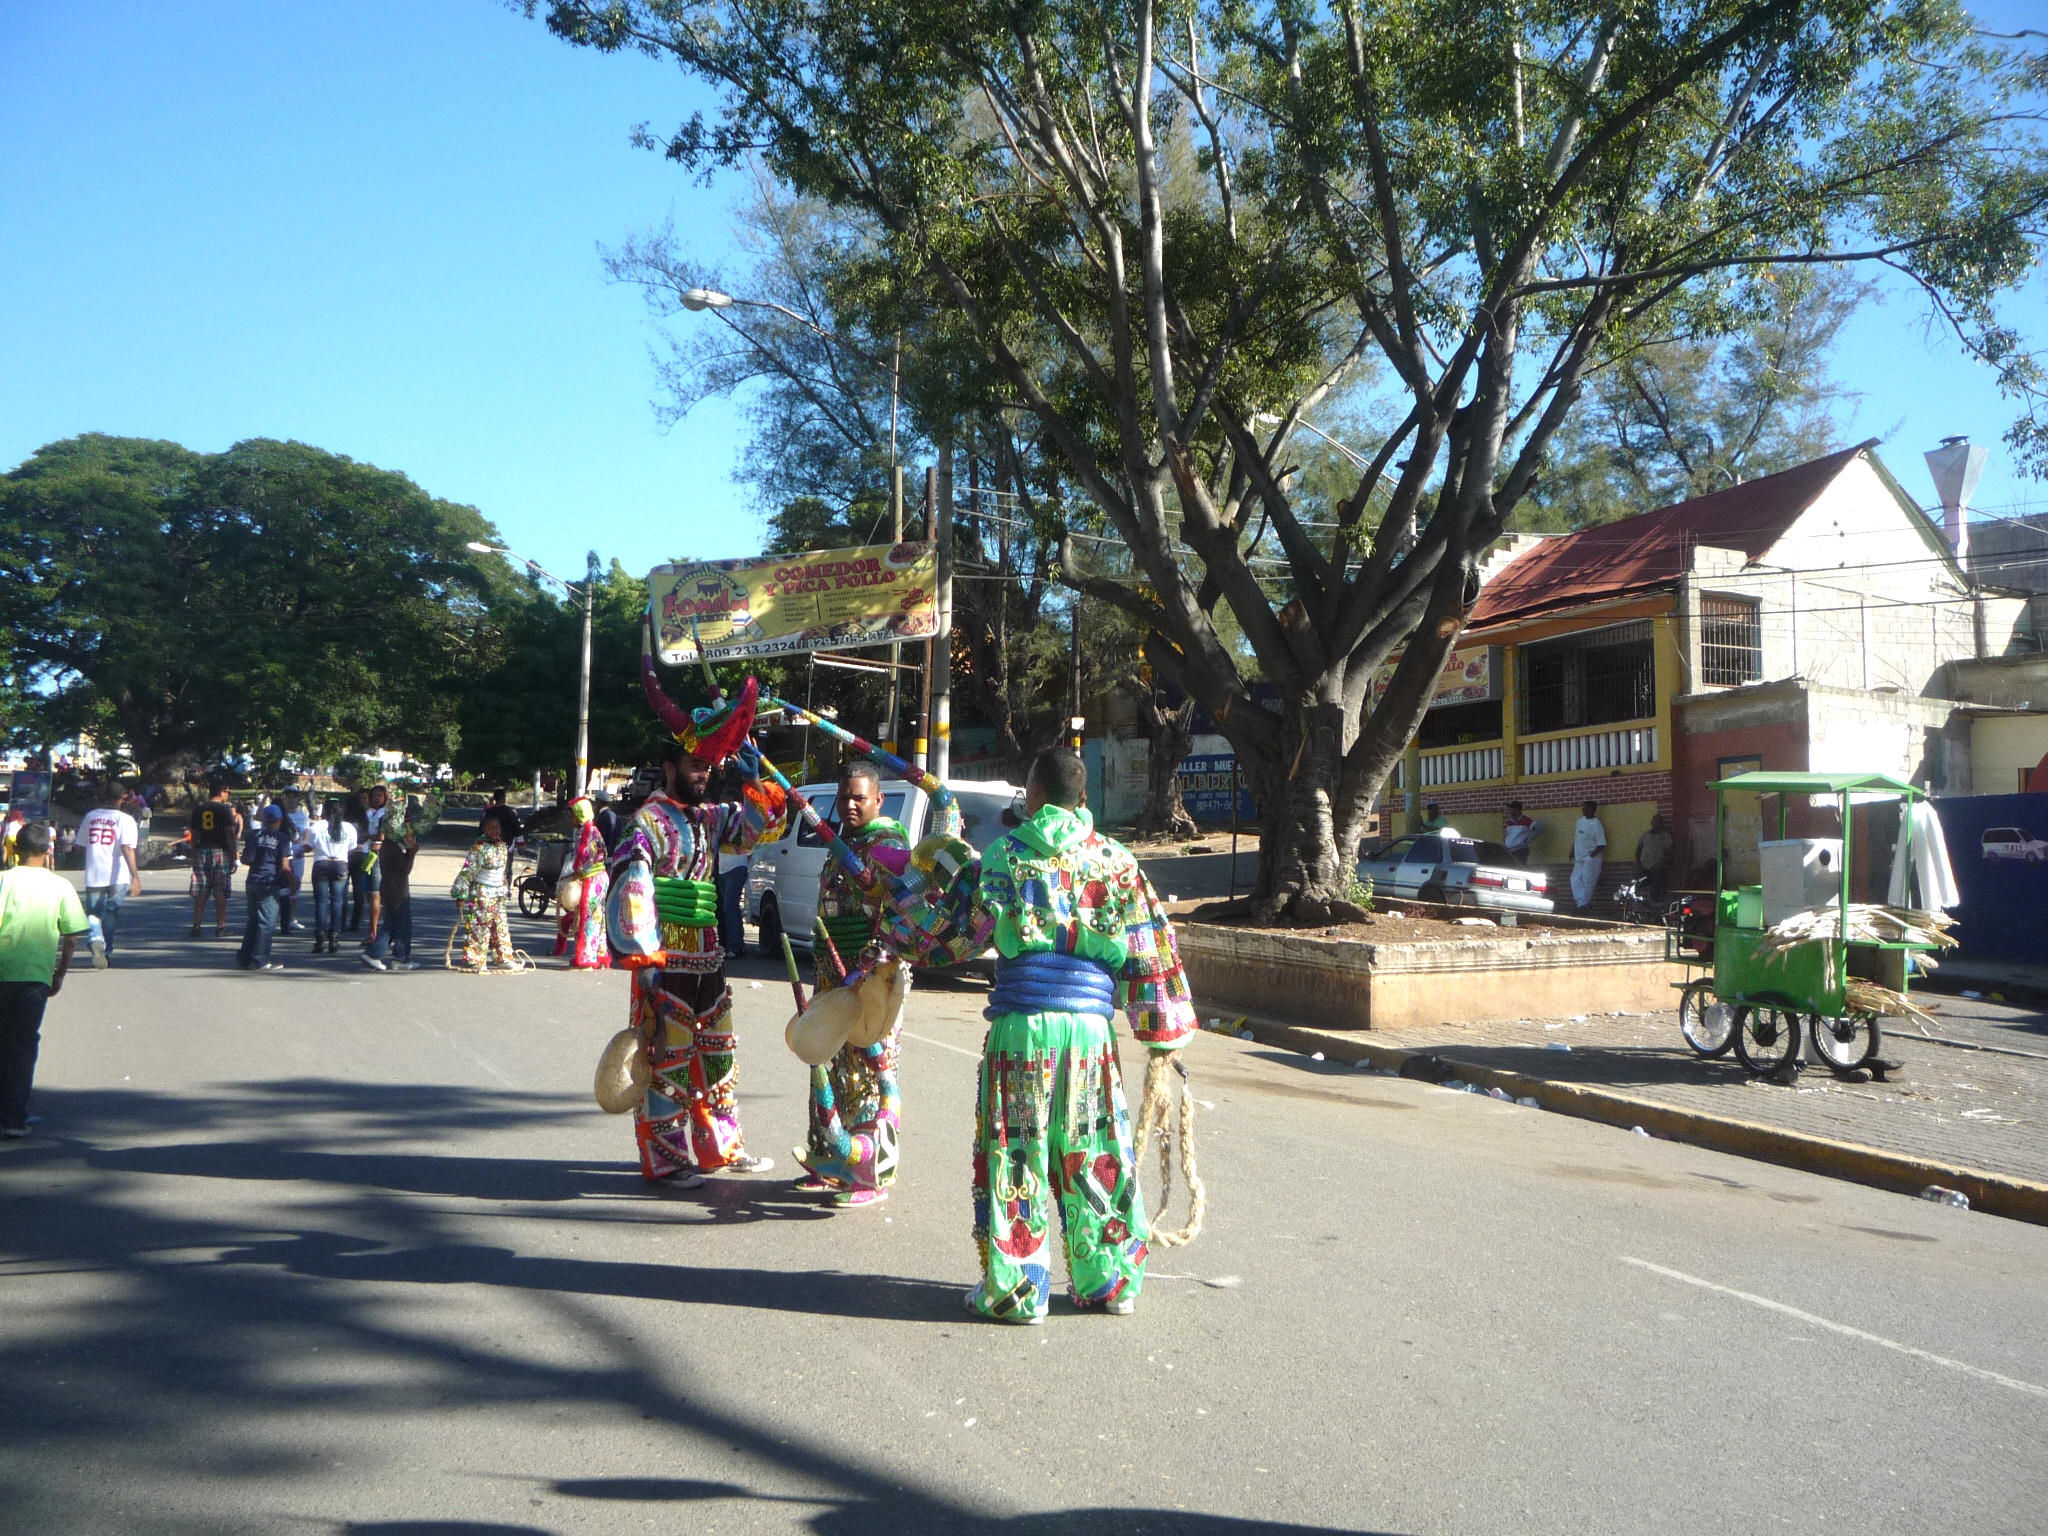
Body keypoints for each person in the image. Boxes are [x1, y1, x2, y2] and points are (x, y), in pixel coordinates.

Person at [892, 748, 1198, 1325]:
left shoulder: (1006, 858)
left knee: (1016, 1152)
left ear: (1031, 795)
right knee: (1096, 1149)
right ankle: (1110, 1282)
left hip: (1022, 1031)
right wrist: (1161, 1038)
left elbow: (952, 940)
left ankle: (1016, 1291)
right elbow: (1151, 951)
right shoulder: (1117, 861)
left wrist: (914, 889)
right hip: (1089, 1033)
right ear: (1083, 800)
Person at [610, 656, 786, 1185]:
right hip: (666, 961)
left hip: (710, 961)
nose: (704, 774)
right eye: (695, 766)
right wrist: (644, 963)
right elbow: (633, 890)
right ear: (670, 766)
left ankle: (719, 1148)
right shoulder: (647, 823)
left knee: (718, 1057)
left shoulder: (712, 819)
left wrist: (757, 778)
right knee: (667, 1058)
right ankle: (664, 1159)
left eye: (710, 767)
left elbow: (761, 829)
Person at [793, 759, 912, 1209]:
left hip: (870, 978)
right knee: (828, 1060)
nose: (850, 805)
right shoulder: (842, 842)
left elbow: (896, 914)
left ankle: (870, 1171)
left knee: (867, 1069)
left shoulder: (889, 845)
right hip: (832, 970)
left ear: (879, 799)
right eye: (844, 797)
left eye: (859, 797)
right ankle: (831, 1158)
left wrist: (869, 967)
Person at [0, 823, 91, 1138]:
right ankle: (13, 1117)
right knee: (23, 1045)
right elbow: (71, 938)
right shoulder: (60, 886)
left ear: (15, 849)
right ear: (48, 849)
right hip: (34, 975)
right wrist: (60, 974)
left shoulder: (2, 881)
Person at [78, 786, 142, 965]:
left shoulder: (90, 816)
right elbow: (127, 847)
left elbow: (82, 844)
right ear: (124, 796)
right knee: (111, 913)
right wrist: (135, 876)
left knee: (93, 913)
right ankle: (106, 950)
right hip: (118, 875)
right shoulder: (125, 819)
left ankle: (95, 938)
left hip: (94, 872)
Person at [449, 808, 517, 972]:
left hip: (498, 893)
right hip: (482, 893)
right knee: (479, 926)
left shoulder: (502, 847)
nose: (495, 830)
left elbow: (503, 872)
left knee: (500, 926)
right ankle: (475, 959)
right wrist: (461, 894)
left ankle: (503, 957)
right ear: (484, 829)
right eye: (491, 827)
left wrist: (505, 888)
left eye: (497, 827)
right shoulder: (479, 849)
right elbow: (468, 872)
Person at [237, 803, 298, 972]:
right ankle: (260, 959)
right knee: (267, 923)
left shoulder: (253, 835)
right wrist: (293, 883)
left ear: (264, 820)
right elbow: (285, 866)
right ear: (280, 819)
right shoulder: (282, 838)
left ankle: (244, 958)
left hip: (252, 881)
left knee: (253, 920)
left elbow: (246, 860)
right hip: (269, 882)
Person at [552, 797, 611, 970]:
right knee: (598, 917)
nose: (570, 819)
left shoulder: (588, 833)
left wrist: (575, 876)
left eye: (572, 816)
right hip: (599, 878)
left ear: (580, 815)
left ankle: (586, 958)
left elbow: (585, 861)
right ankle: (599, 955)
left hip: (593, 880)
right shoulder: (590, 830)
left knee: (588, 919)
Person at [364, 801, 420, 972]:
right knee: (400, 925)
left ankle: (397, 955)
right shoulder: (394, 847)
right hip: (397, 889)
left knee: (392, 923)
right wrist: (411, 854)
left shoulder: (388, 846)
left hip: (389, 887)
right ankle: (382, 954)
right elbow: (405, 869)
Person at [187, 785, 242, 937]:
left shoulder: (199, 809)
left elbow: (194, 833)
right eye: (226, 792)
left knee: (201, 890)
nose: (228, 795)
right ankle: (220, 926)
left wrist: (193, 853)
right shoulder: (224, 810)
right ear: (220, 792)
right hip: (220, 851)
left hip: (202, 849)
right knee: (220, 890)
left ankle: (196, 925)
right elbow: (229, 833)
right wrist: (234, 854)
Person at [304, 799, 357, 955]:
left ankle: (320, 938)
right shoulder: (348, 828)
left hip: (321, 863)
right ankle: (334, 937)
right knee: (337, 902)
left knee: (321, 902)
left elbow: (308, 847)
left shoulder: (317, 827)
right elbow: (352, 848)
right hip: (340, 864)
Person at [1571, 800, 1608, 911]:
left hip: (1591, 858)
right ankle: (1583, 903)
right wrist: (1572, 850)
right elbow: (1576, 838)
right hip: (1579, 858)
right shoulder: (1580, 821)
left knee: (1588, 882)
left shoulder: (1596, 824)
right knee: (1574, 880)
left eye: (1585, 808)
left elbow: (1602, 844)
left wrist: (1590, 856)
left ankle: (1583, 906)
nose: (1583, 810)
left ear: (1591, 809)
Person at [1635, 813, 1675, 903]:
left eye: (1659, 822)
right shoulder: (1645, 835)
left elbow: (1670, 852)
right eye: (1655, 821)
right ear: (1651, 823)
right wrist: (1638, 863)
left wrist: (1662, 864)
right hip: (1644, 867)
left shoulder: (1665, 836)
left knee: (1655, 890)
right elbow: (1638, 849)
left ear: (1662, 824)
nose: (1656, 823)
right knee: (1638, 886)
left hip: (1657, 868)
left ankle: (1653, 907)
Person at [1501, 800, 1540, 866]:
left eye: (1511, 810)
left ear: (1516, 810)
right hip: (1509, 851)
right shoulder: (1509, 822)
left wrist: (1528, 839)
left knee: (1519, 869)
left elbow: (1538, 828)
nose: (1509, 812)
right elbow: (1507, 835)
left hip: (1520, 850)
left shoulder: (1526, 820)